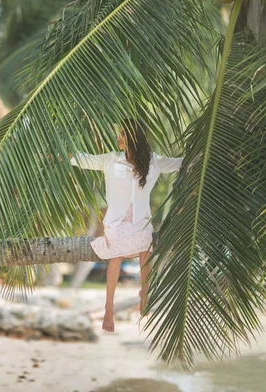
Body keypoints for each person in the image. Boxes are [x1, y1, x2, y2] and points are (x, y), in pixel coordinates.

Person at [70, 119, 183, 332]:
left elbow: (179, 163)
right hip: (116, 221)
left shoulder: (153, 162)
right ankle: (109, 309)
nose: (118, 137)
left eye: (123, 134)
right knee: (117, 254)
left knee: (145, 248)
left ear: (134, 137)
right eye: (119, 133)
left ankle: (145, 294)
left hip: (140, 220)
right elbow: (84, 160)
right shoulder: (111, 160)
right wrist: (59, 154)